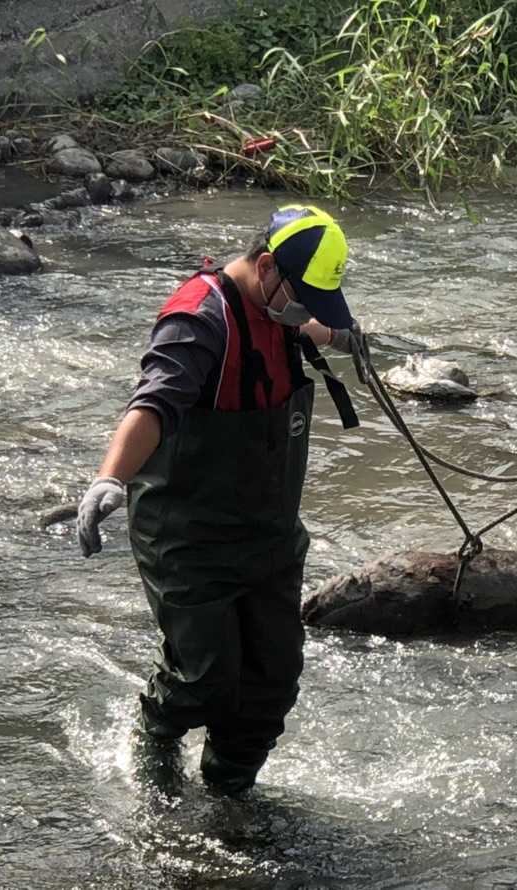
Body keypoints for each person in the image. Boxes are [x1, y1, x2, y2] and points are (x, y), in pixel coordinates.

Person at [77, 204, 364, 792]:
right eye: (303, 297)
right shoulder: (199, 318)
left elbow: (309, 323)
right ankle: (154, 737)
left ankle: (230, 795)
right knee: (203, 680)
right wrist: (109, 479)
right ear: (266, 268)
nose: (305, 310)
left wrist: (342, 334)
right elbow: (152, 405)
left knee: (272, 683)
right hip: (188, 535)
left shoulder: (279, 306)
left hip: (270, 534)